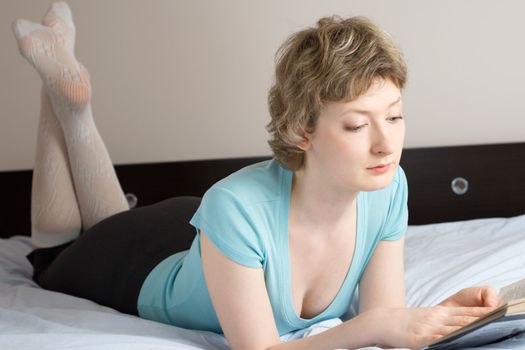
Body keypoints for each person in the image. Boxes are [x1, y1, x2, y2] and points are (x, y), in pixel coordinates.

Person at [12, 2, 500, 349]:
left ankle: (65, 91)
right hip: (134, 260)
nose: (386, 143)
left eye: (394, 117)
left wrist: (443, 317)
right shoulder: (236, 205)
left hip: (203, 238)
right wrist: (372, 330)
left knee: (107, 217)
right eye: (356, 124)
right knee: (53, 250)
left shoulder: (389, 186)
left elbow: (384, 315)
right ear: (300, 130)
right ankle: (64, 101)